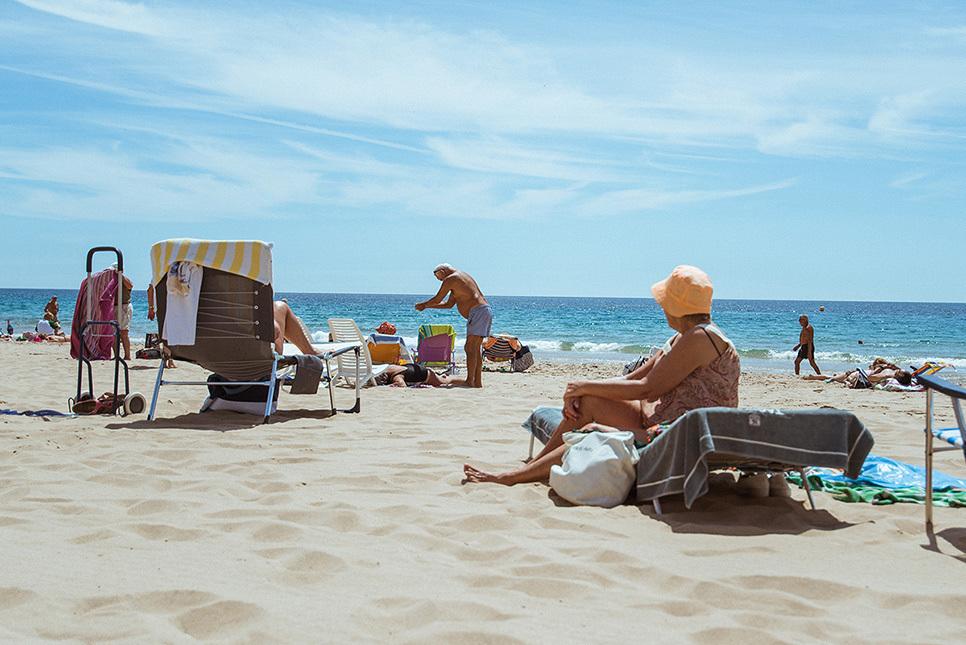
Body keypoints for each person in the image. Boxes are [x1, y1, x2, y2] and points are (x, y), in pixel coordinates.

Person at [463, 265, 740, 486]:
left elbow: (647, 388)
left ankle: (514, 477)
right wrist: (581, 391)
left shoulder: (701, 338)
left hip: (680, 434)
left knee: (587, 427)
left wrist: (579, 386)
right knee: (586, 403)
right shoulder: (684, 336)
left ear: (674, 305)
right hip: (660, 419)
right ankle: (532, 468)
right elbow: (632, 379)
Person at [415, 264, 492, 388]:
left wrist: (423, 304)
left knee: (470, 348)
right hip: (483, 311)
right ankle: (476, 382)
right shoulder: (460, 279)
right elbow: (448, 304)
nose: (439, 280)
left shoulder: (451, 278)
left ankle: (469, 381)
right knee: (474, 349)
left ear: (442, 271)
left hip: (478, 311)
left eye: (437, 276)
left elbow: (437, 298)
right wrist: (427, 306)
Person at [145, 284, 176, 368]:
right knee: (166, 335)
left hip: (169, 307)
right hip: (163, 308)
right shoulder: (159, 274)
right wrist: (151, 307)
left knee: (169, 335)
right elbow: (150, 290)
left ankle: (169, 359)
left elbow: (150, 290)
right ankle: (167, 359)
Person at [375, 363, 453, 387]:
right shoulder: (387, 367)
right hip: (415, 368)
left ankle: (464, 382)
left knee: (446, 381)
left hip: (427, 375)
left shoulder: (396, 376)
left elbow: (402, 386)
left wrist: (390, 386)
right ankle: (441, 375)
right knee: (442, 378)